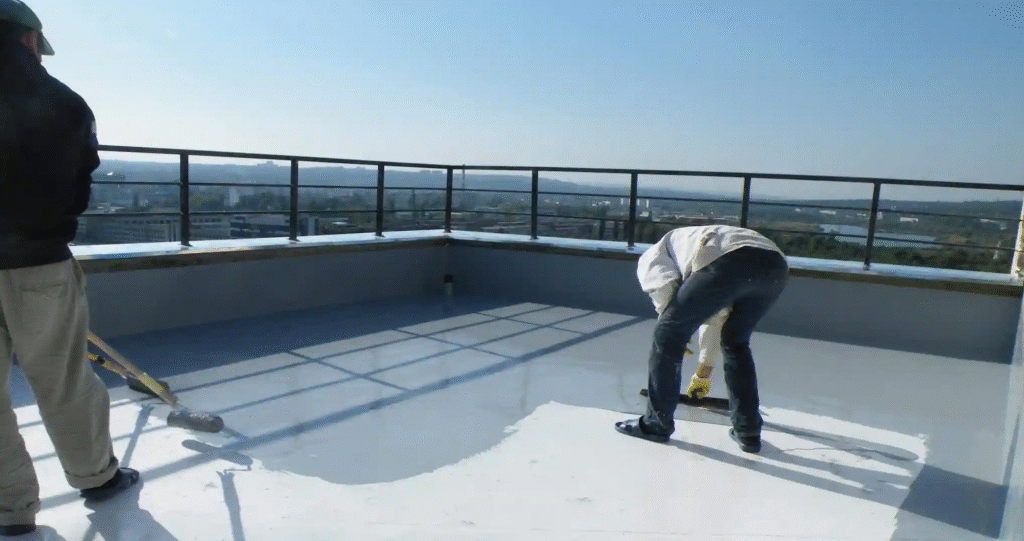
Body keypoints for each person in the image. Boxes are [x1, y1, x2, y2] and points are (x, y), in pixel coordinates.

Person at [1, 1, 139, 535]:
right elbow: (78, 187)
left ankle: (10, 510)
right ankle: (96, 477)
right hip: (38, 264)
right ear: (29, 39)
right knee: (62, 382)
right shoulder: (65, 103)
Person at [616, 225, 788, 453]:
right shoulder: (689, 246)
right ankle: (748, 431)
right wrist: (703, 372)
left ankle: (656, 424)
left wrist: (678, 332)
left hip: (730, 258)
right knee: (735, 342)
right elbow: (716, 317)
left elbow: (664, 291)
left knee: (666, 335)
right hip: (775, 266)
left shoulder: (652, 256)